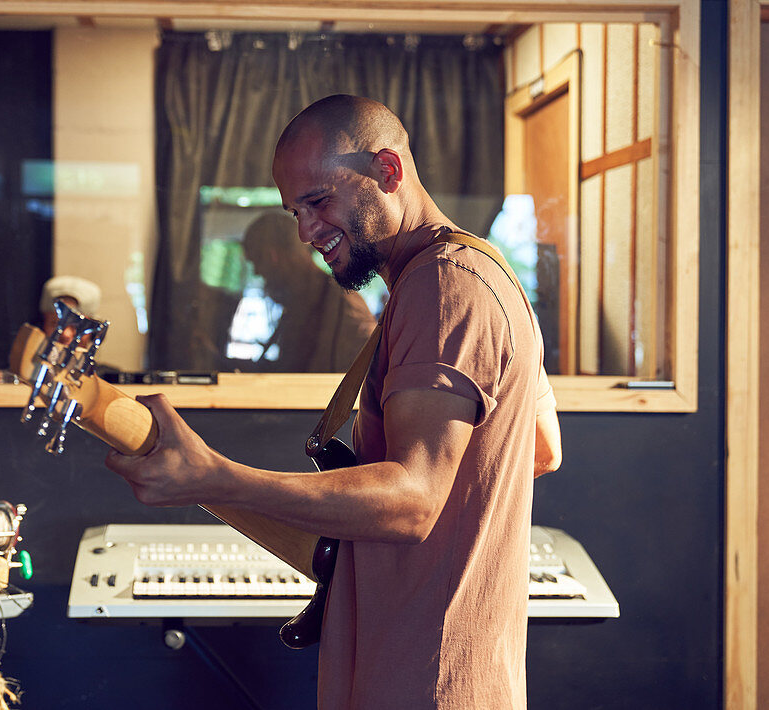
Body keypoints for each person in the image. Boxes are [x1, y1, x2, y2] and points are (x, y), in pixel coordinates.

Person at [104, 94, 562, 709]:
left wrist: (218, 477)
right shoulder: (486, 271)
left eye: (318, 201)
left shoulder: (442, 285)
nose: (306, 233)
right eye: (294, 212)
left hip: (420, 684)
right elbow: (541, 448)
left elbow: (414, 500)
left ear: (389, 172)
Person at [240, 210, 377, 372]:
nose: (257, 272)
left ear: (273, 256)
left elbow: (365, 377)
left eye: (257, 261)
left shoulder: (340, 303)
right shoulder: (303, 302)